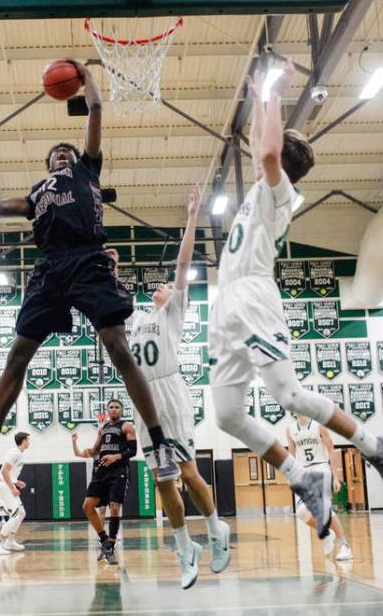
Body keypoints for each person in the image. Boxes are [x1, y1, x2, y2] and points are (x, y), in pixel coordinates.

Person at [0, 59, 179, 482]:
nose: (63, 153)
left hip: (89, 259)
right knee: (18, 353)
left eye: (67, 151)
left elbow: (95, 111)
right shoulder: (37, 193)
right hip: (50, 269)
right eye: (56, 153)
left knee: (118, 348)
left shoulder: (87, 170)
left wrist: (85, 74)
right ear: (47, 165)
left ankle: (159, 440)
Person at [206, 61, 383, 539]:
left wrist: (274, 95)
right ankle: (304, 478)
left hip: (254, 296)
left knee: (289, 395)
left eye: (266, 150)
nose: (258, 151)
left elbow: (270, 153)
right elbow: (264, 146)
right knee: (228, 415)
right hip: (226, 306)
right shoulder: (262, 187)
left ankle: (377, 447)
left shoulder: (280, 192)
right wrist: (258, 101)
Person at [126, 186, 231, 588]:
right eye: (161, 286)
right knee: (162, 481)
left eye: (168, 286)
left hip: (169, 394)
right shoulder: (134, 321)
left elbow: (183, 263)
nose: (163, 286)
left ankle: (216, 528)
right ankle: (185, 547)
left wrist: (191, 218)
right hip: (144, 400)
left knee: (188, 472)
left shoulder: (173, 311)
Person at [72, 400, 135, 565]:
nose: (114, 409)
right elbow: (95, 450)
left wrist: (116, 456)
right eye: (111, 407)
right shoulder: (103, 428)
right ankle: (105, 540)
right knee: (87, 506)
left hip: (119, 470)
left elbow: (133, 451)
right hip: (101, 471)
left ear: (121, 410)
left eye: (117, 407)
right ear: (107, 410)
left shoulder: (127, 427)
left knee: (114, 507)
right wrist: (78, 446)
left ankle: (111, 547)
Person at [286, 414, 353, 561]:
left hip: (320, 468)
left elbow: (331, 450)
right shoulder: (290, 429)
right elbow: (291, 455)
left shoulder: (318, 425)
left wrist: (336, 477)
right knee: (302, 512)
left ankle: (345, 546)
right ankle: (327, 533)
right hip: (302, 471)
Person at [0, 432, 31, 555]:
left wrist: (16, 481)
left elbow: (8, 472)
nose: (29, 442)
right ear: (23, 441)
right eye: (28, 440)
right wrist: (13, 487)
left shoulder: (18, 453)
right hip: (5, 486)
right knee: (16, 514)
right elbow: (4, 471)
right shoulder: (15, 452)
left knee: (21, 513)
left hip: (6, 484)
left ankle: (10, 541)